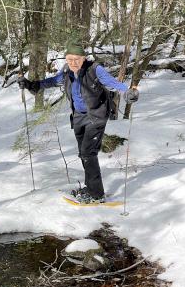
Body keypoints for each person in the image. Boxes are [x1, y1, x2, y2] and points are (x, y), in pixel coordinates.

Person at [18, 42, 139, 203]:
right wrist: (32, 85)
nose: (73, 62)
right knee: (84, 153)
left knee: (88, 152)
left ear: (84, 58)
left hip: (96, 115)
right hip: (78, 116)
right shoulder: (67, 71)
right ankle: (90, 187)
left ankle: (96, 194)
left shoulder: (95, 69)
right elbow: (53, 81)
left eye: (77, 59)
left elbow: (113, 83)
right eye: (69, 59)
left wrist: (128, 92)